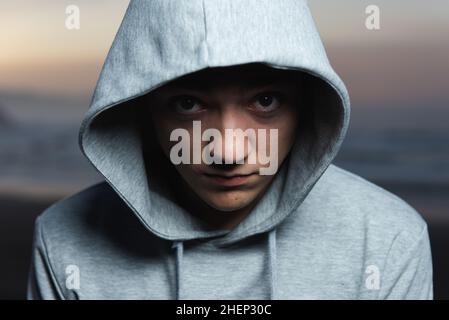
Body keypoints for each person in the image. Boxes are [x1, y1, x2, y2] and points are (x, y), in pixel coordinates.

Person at [27, 0, 433, 299]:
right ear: (143, 108)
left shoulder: (386, 240)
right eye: (189, 104)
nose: (228, 150)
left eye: (265, 101)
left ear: (308, 104)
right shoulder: (64, 240)